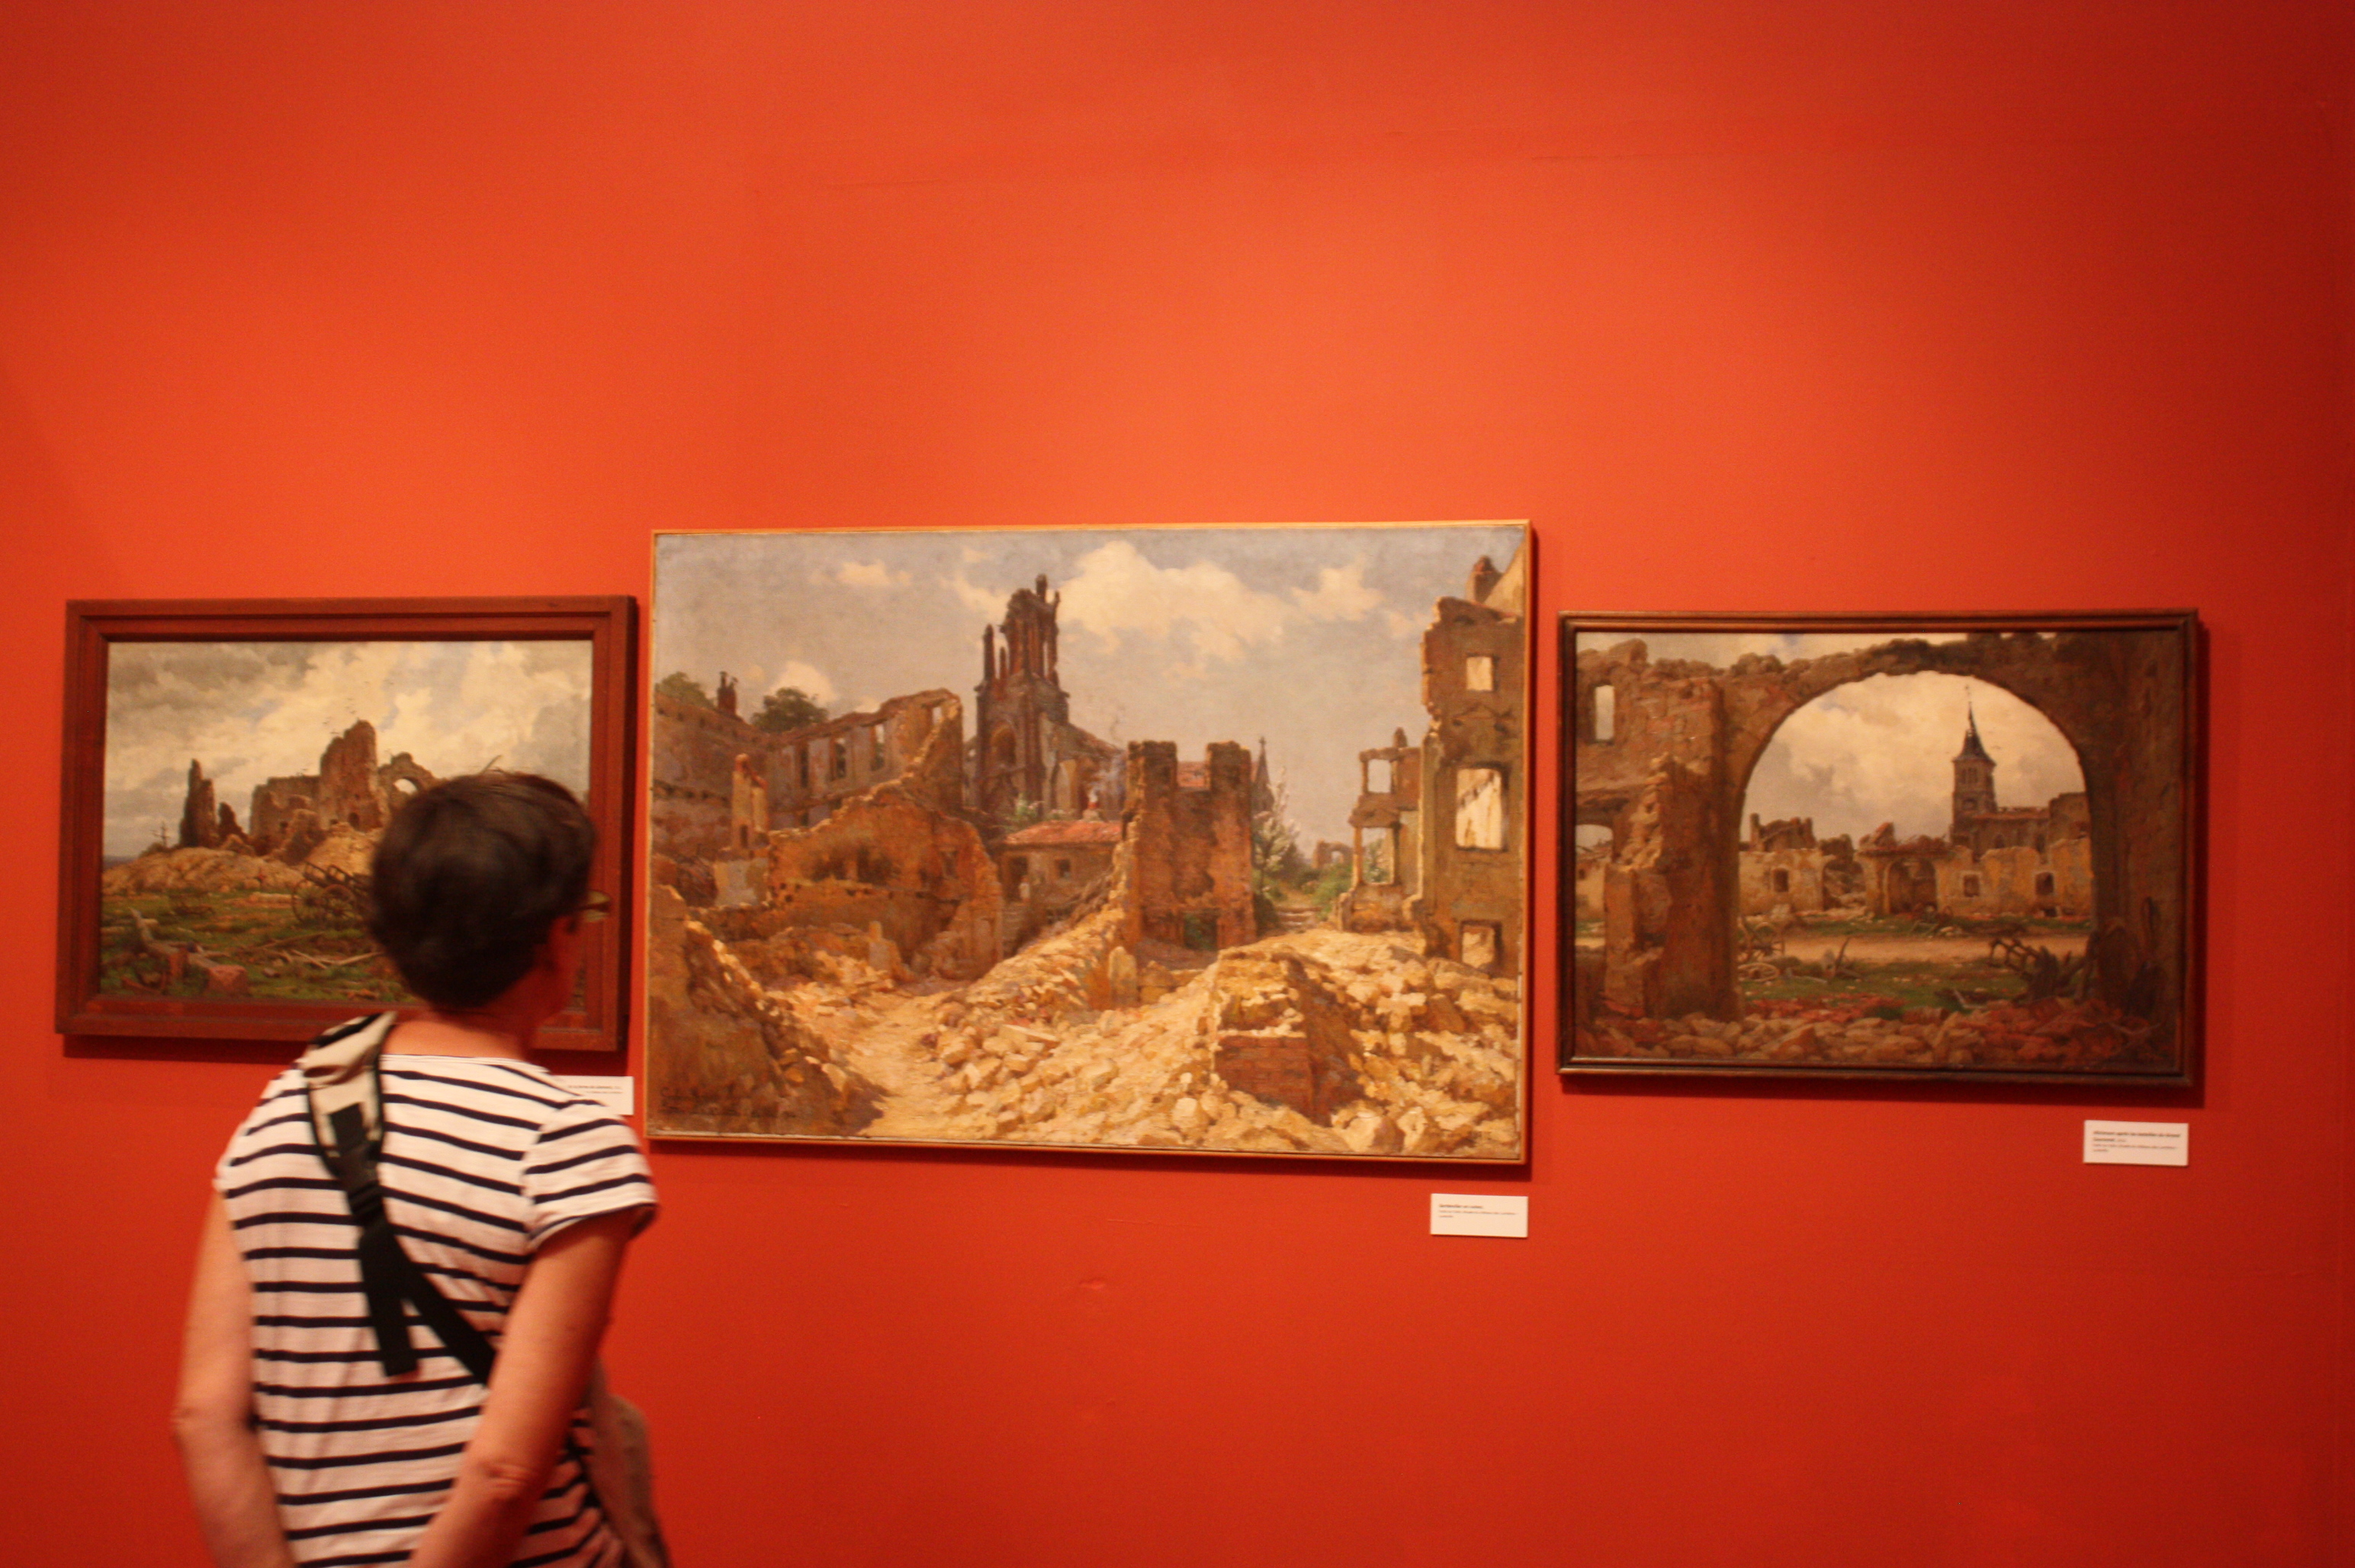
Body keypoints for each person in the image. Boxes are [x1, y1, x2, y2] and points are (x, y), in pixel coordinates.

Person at [174, 773, 657, 1568]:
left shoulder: (286, 1108)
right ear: (554, 937)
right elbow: (503, 1476)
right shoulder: (566, 1139)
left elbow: (204, 1416)